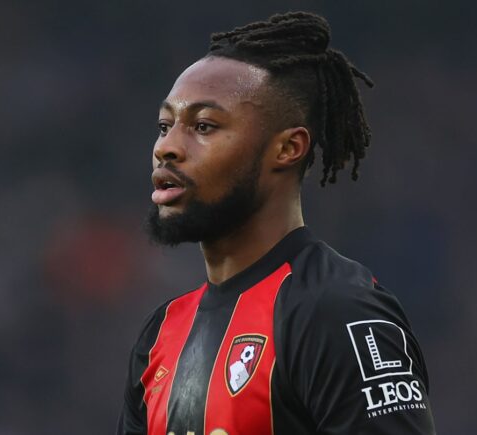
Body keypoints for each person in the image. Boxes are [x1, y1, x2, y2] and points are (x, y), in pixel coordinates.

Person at [118, 11, 436, 435]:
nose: (167, 147)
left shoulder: (335, 312)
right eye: (164, 126)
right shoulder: (161, 334)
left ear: (287, 148)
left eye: (204, 126)